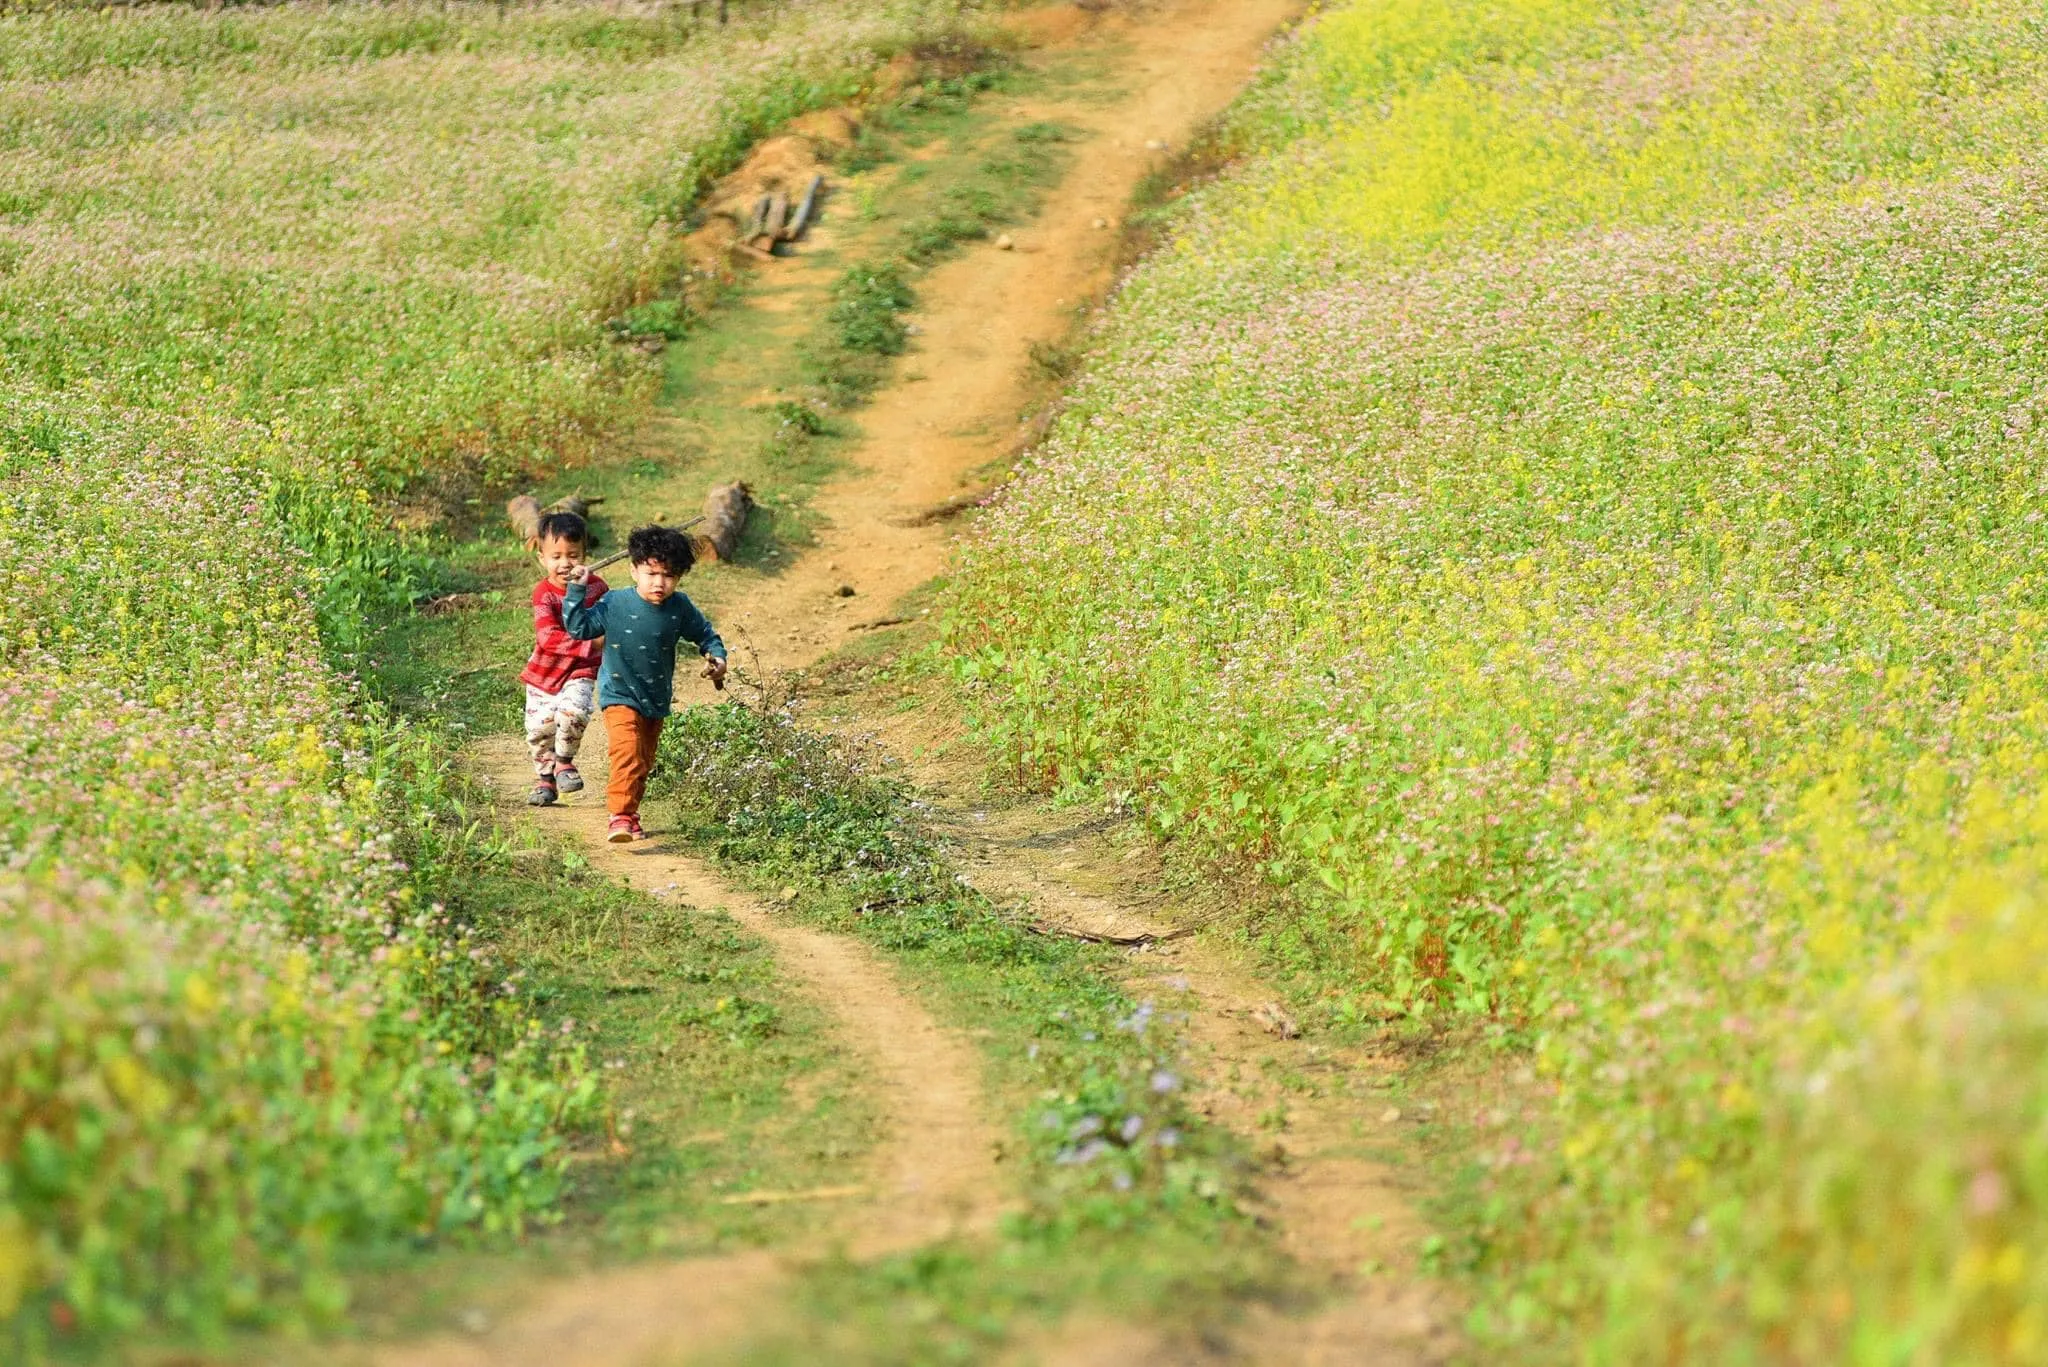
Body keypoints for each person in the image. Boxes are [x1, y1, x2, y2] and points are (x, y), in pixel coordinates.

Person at [562, 523, 728, 843]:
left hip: (655, 698)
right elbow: (579, 628)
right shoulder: (614, 603)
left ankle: (631, 813)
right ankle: (620, 816)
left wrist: (717, 658)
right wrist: (576, 591)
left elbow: (706, 634)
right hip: (618, 693)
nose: (659, 583)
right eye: (651, 574)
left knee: (643, 761)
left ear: (679, 577)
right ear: (634, 570)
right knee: (626, 752)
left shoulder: (680, 608)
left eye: (668, 576)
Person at [520, 511, 606, 808]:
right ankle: (545, 780)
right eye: (556, 556)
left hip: (580, 670)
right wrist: (589, 644)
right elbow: (548, 638)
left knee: (574, 712)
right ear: (541, 557)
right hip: (545, 672)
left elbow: (606, 620)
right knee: (539, 729)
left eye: (573, 555)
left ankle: (565, 763)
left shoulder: (597, 587)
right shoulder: (544, 593)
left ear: (585, 554)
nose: (565, 563)